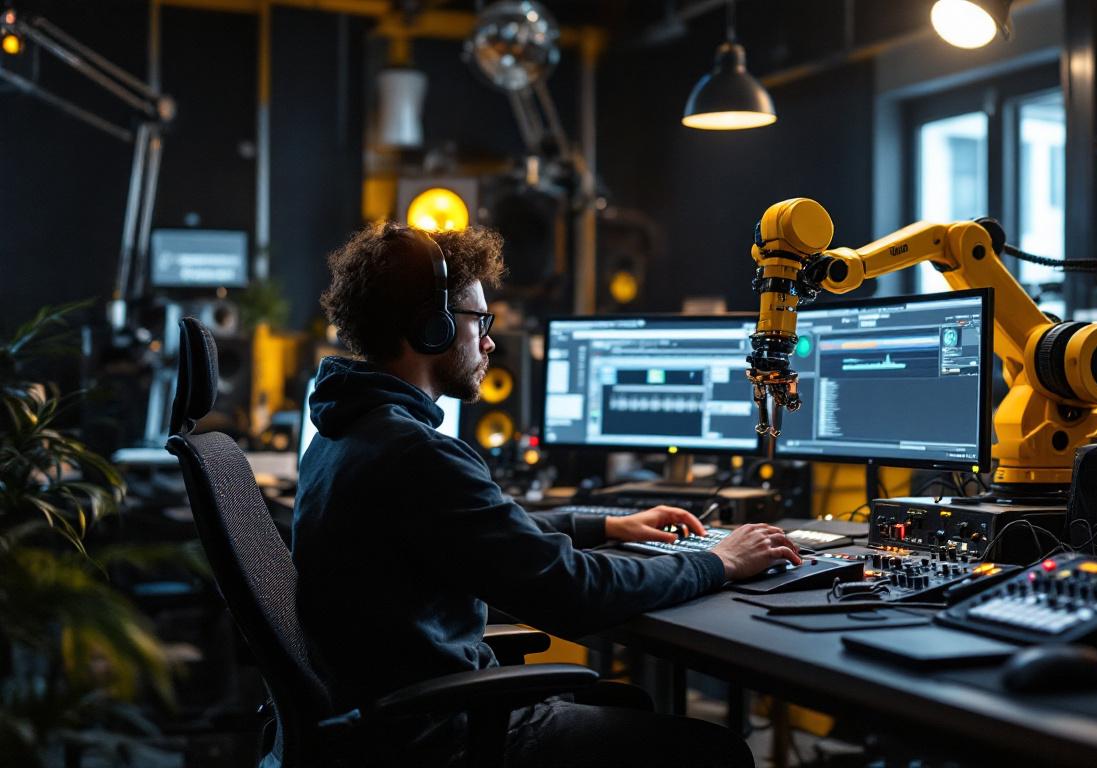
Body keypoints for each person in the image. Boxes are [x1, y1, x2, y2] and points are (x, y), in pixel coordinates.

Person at [294, 221, 799, 766]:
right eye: (478, 320)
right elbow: (572, 590)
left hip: (381, 725)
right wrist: (718, 562)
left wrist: (602, 525)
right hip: (439, 740)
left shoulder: (345, 433)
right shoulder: (414, 452)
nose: (489, 340)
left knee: (631, 706)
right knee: (714, 751)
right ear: (431, 328)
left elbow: (482, 535)